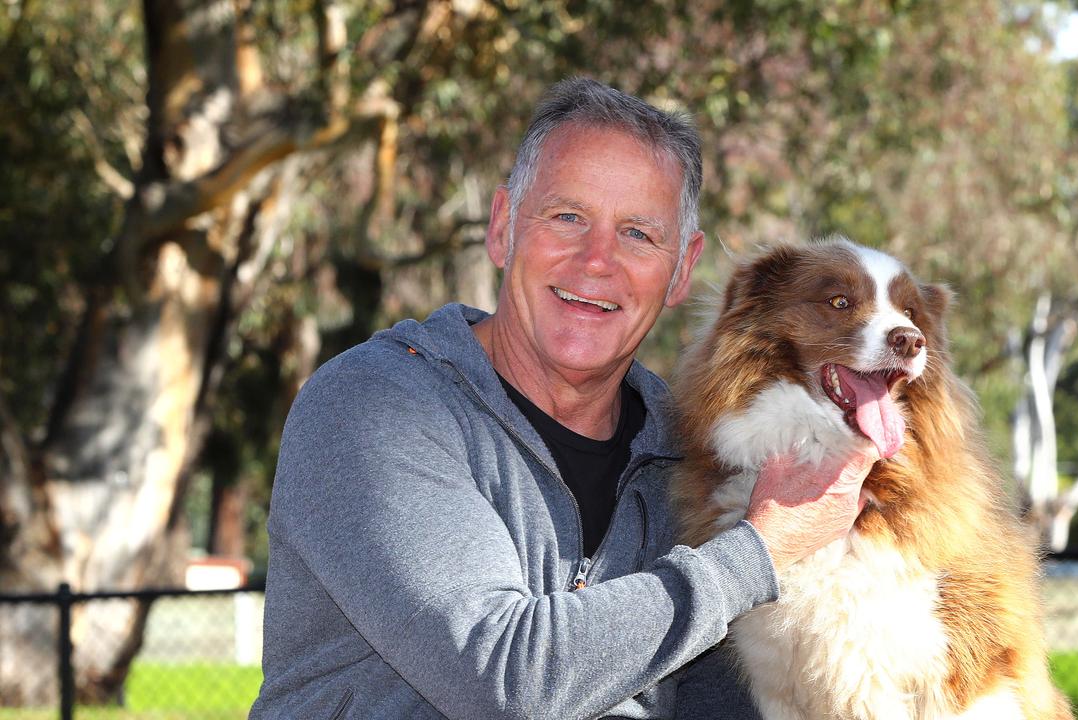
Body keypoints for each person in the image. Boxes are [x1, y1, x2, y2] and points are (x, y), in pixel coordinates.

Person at [249, 77, 873, 719]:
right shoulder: (374, 406)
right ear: (502, 227)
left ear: (682, 269)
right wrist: (758, 551)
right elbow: (503, 677)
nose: (596, 261)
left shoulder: (686, 459)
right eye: (567, 216)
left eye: (638, 233)